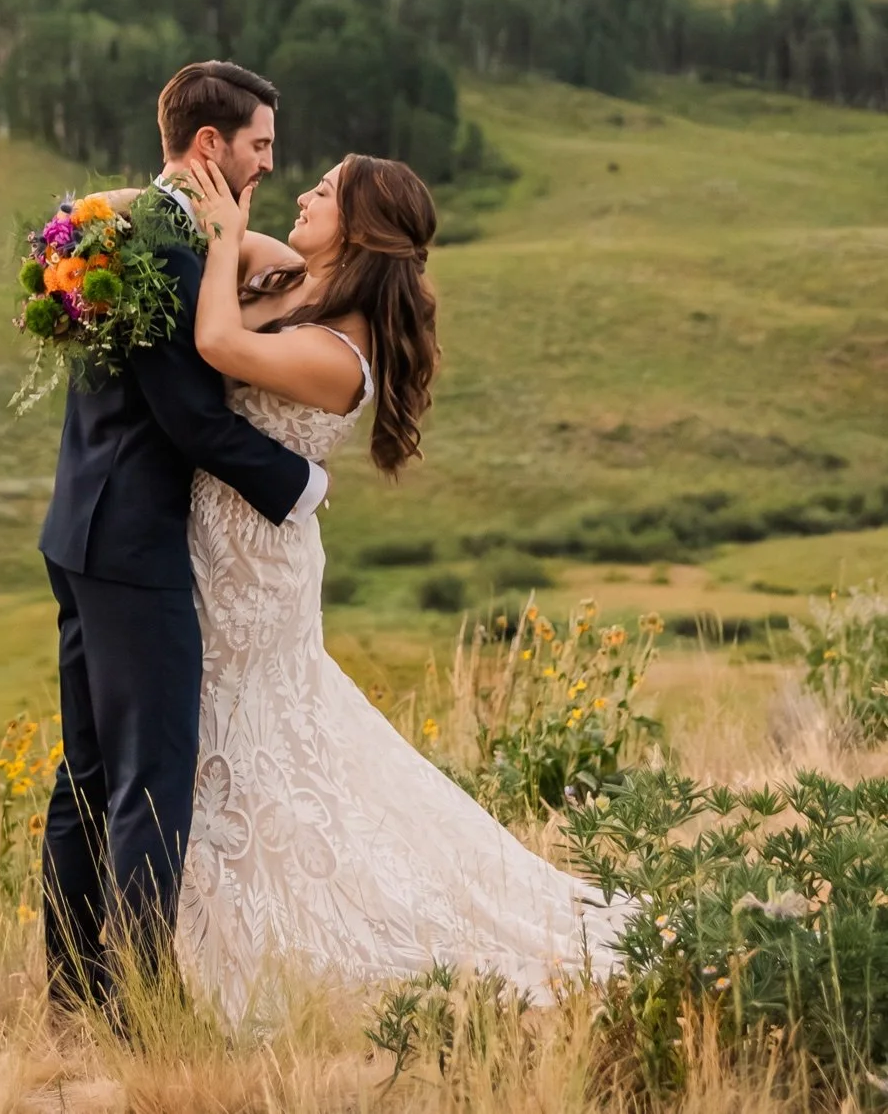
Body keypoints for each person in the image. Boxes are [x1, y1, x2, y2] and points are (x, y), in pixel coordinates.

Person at [175, 151, 631, 1025]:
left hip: (253, 572)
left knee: (238, 737)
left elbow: (217, 344)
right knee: (233, 736)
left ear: (360, 228)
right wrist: (85, 227)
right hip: (216, 549)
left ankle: (243, 938)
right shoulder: (293, 278)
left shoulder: (340, 354)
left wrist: (230, 232)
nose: (305, 190)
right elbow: (187, 221)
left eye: (327, 189)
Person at [38, 60, 324, 1015]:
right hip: (130, 543)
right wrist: (302, 482)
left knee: (88, 771)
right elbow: (194, 422)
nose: (267, 168)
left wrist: (253, 256)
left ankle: (75, 988)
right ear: (211, 145)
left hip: (79, 523)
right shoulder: (167, 245)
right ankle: (146, 1010)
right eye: (259, 148)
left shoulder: (125, 222)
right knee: (150, 775)